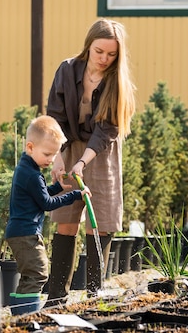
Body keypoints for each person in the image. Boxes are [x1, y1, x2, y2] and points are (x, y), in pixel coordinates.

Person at [46, 18, 136, 304]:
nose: (104, 59)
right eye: (99, 52)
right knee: (65, 219)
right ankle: (57, 294)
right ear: (88, 46)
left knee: (100, 221)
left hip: (101, 151)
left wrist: (83, 163)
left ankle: (94, 293)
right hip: (68, 144)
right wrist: (58, 157)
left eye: (111, 55)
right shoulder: (67, 69)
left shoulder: (116, 81)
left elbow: (106, 130)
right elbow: (55, 115)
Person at [4, 115, 91, 315]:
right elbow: (46, 204)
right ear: (30, 147)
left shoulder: (27, 169)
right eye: (47, 154)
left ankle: (18, 315)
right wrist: (75, 195)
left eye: (54, 155)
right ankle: (27, 317)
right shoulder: (32, 174)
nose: (51, 159)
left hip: (20, 232)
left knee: (29, 275)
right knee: (39, 273)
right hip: (26, 234)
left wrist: (57, 187)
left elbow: (40, 194)